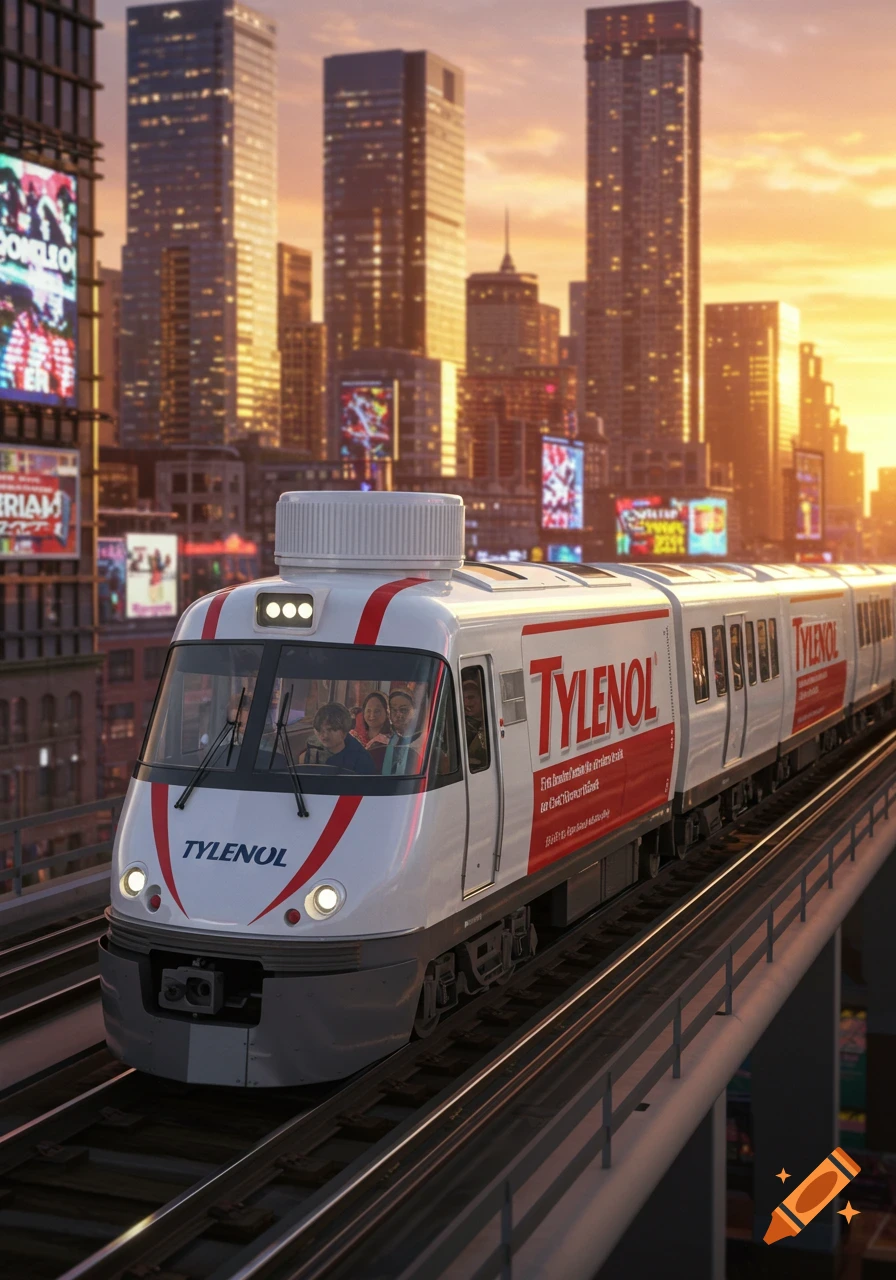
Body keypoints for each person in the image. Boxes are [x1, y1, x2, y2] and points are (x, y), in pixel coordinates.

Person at [303, 702, 375, 774]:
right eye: (319, 730)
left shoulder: (362, 760)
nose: (323, 735)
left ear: (344, 731)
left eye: (329, 729)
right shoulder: (312, 750)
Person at [382, 688, 425, 776]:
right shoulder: (385, 741)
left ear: (415, 712)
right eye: (394, 710)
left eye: (404, 710)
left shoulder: (424, 741)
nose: (398, 715)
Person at [350, 690, 392, 771]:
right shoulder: (353, 737)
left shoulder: (391, 742)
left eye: (377, 711)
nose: (372, 715)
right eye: (368, 711)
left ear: (387, 712)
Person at [462, 674, 488, 771]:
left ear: (482, 698)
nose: (466, 703)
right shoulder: (461, 728)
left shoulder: (490, 721)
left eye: (470, 697)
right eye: (462, 699)